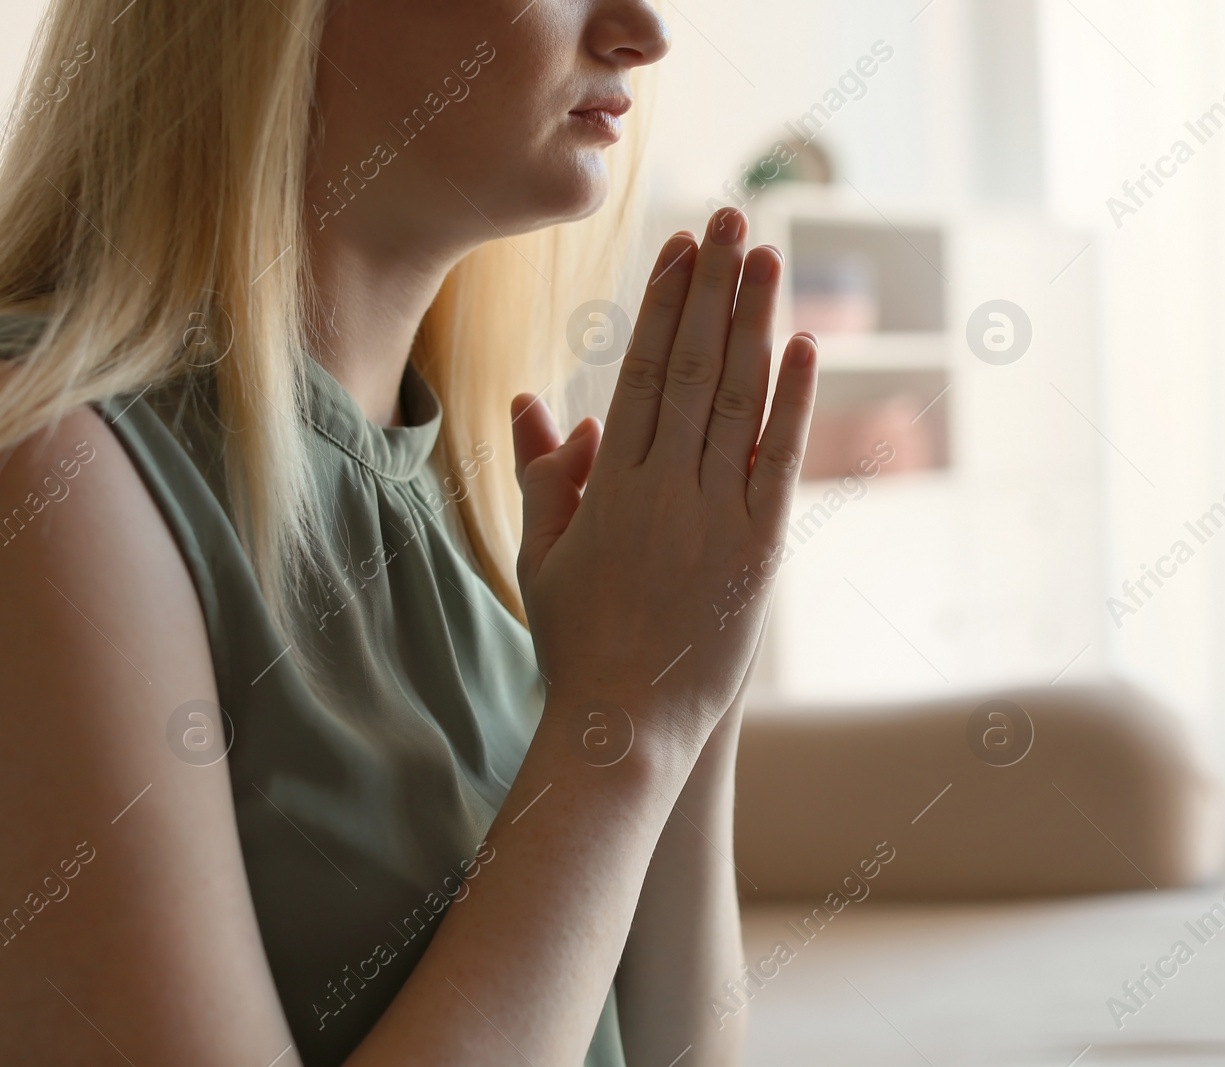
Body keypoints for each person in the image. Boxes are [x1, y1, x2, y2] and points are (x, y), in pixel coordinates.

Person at [0, 1, 817, 1064]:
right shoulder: (50, 475)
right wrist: (620, 722)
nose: (642, 30)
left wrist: (687, 679)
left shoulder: (474, 494)